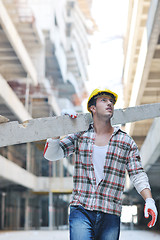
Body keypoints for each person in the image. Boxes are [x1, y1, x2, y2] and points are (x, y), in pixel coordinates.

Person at [43, 88, 158, 240]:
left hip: (110, 212)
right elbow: (51, 154)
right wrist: (60, 126)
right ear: (93, 107)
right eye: (104, 100)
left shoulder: (125, 141)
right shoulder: (81, 135)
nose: (109, 103)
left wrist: (149, 200)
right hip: (81, 210)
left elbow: (137, 174)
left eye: (111, 101)